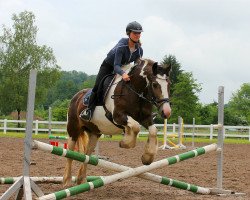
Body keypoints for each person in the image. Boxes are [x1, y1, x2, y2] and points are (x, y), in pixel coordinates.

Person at [80, 21, 143, 121]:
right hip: (109, 66)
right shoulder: (122, 46)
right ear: (128, 33)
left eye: (139, 33)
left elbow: (136, 67)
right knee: (97, 86)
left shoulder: (139, 50)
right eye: (135, 33)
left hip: (124, 67)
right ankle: (89, 110)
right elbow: (116, 66)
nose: (137, 35)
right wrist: (123, 74)